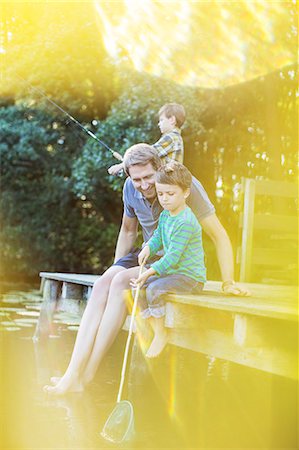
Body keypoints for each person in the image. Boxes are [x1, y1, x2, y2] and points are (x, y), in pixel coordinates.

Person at [44, 143, 249, 395]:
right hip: (147, 251)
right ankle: (71, 373)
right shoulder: (130, 188)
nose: (143, 185)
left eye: (148, 177)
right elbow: (129, 230)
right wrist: (114, 268)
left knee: (120, 283)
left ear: (159, 168)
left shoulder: (183, 186)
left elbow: (218, 235)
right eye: (136, 179)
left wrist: (228, 281)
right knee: (103, 283)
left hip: (173, 260)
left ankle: (85, 377)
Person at [131, 161, 206, 358]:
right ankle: (155, 329)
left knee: (154, 288)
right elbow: (157, 236)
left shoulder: (186, 222)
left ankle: (161, 334)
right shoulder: (166, 214)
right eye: (161, 193)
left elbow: (173, 257)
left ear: (186, 193)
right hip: (174, 274)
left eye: (170, 194)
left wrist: (149, 271)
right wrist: (148, 247)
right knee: (140, 289)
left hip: (190, 277)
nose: (164, 199)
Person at [107, 103, 185, 176]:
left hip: (168, 180)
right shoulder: (176, 138)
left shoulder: (171, 137)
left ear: (172, 120)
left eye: (161, 120)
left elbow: (148, 154)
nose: (159, 124)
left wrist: (121, 166)